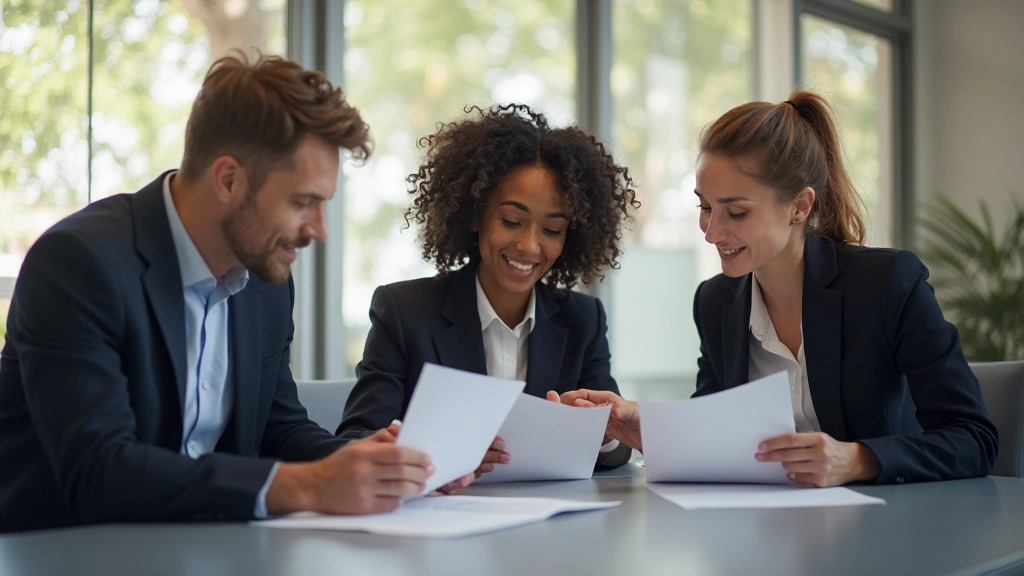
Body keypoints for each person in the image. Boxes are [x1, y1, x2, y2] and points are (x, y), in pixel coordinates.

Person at [0, 52, 461, 533]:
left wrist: (368, 464)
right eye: (302, 202)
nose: (319, 231)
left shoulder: (265, 283)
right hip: (63, 552)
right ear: (228, 179)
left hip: (201, 548)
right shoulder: (80, 264)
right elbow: (99, 470)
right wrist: (308, 486)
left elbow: (277, 429)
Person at [556, 91, 998, 486]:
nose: (711, 233)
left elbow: (973, 439)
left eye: (736, 212)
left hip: (892, 527)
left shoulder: (887, 284)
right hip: (774, 531)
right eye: (706, 208)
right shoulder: (716, 302)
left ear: (800, 207)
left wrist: (857, 459)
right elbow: (715, 430)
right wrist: (644, 428)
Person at [338, 104, 639, 473]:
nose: (529, 246)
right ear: (476, 215)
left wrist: (601, 430)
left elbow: (616, 453)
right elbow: (356, 438)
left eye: (552, 230)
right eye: (512, 221)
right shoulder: (404, 311)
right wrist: (432, 449)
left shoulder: (583, 319)